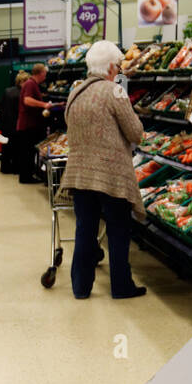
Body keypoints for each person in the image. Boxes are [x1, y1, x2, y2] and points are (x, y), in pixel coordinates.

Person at [60, 40, 147, 300]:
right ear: (111, 67)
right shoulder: (115, 91)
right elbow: (135, 132)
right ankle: (121, 286)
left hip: (80, 173)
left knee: (85, 229)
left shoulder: (76, 91)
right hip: (111, 175)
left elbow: (68, 122)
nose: (120, 70)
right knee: (118, 230)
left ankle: (80, 287)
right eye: (119, 65)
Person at [15, 64, 56, 184]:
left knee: (28, 152)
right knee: (27, 152)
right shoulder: (30, 84)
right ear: (41, 73)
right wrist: (43, 105)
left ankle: (27, 175)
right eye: (45, 73)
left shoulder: (32, 84)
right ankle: (26, 177)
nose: (46, 75)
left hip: (29, 124)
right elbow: (27, 100)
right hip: (28, 125)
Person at [0, 69, 28, 175]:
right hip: (16, 124)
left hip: (5, 124)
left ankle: (5, 167)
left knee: (6, 146)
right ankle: (15, 168)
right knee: (17, 148)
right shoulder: (22, 94)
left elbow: (1, 105)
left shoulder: (7, 91)